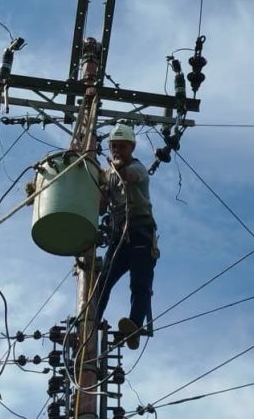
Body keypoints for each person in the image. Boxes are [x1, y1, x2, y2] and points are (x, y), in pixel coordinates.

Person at [96, 123, 159, 350]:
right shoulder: (108, 175)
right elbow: (102, 206)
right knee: (102, 282)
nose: (117, 150)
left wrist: (118, 168)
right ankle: (92, 319)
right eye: (114, 146)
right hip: (119, 239)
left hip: (140, 234)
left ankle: (134, 325)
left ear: (131, 147)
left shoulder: (137, 167)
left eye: (122, 146)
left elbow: (130, 176)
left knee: (139, 283)